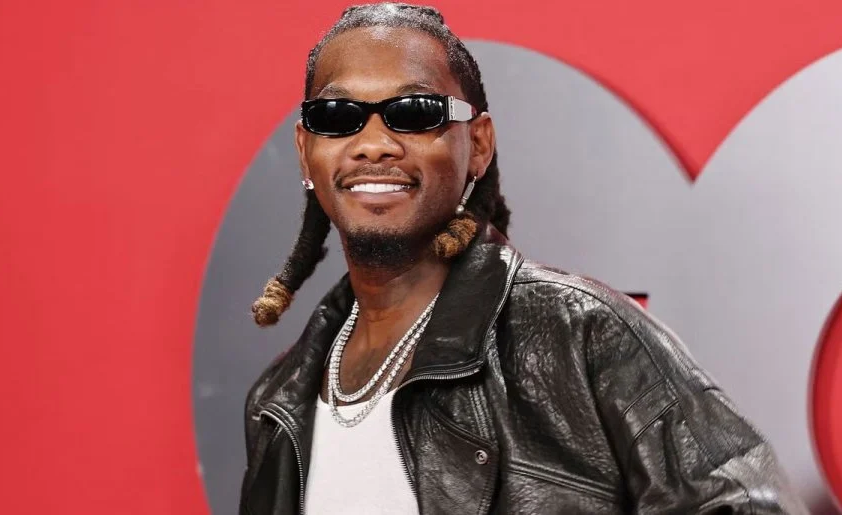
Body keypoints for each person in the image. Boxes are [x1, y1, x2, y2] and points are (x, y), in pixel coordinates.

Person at [239, 3, 806, 514]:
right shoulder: (277, 401)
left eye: (415, 112)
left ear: (478, 145)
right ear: (306, 152)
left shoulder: (580, 333)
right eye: (337, 115)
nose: (373, 144)